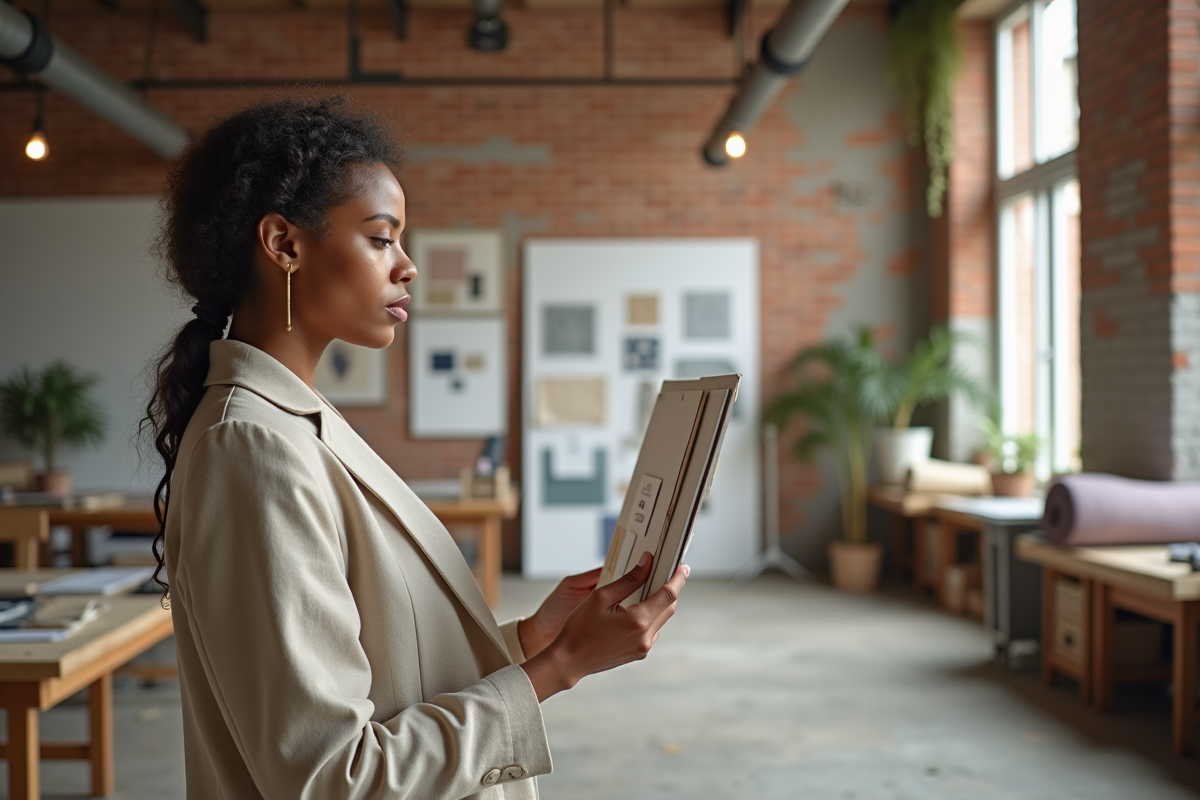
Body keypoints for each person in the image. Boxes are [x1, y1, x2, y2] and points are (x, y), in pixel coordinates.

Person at [142, 97, 688, 799]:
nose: (409, 266)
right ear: (283, 244)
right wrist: (565, 665)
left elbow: (385, 666)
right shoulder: (254, 445)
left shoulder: (294, 424)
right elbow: (334, 777)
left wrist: (533, 639)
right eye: (381, 238)